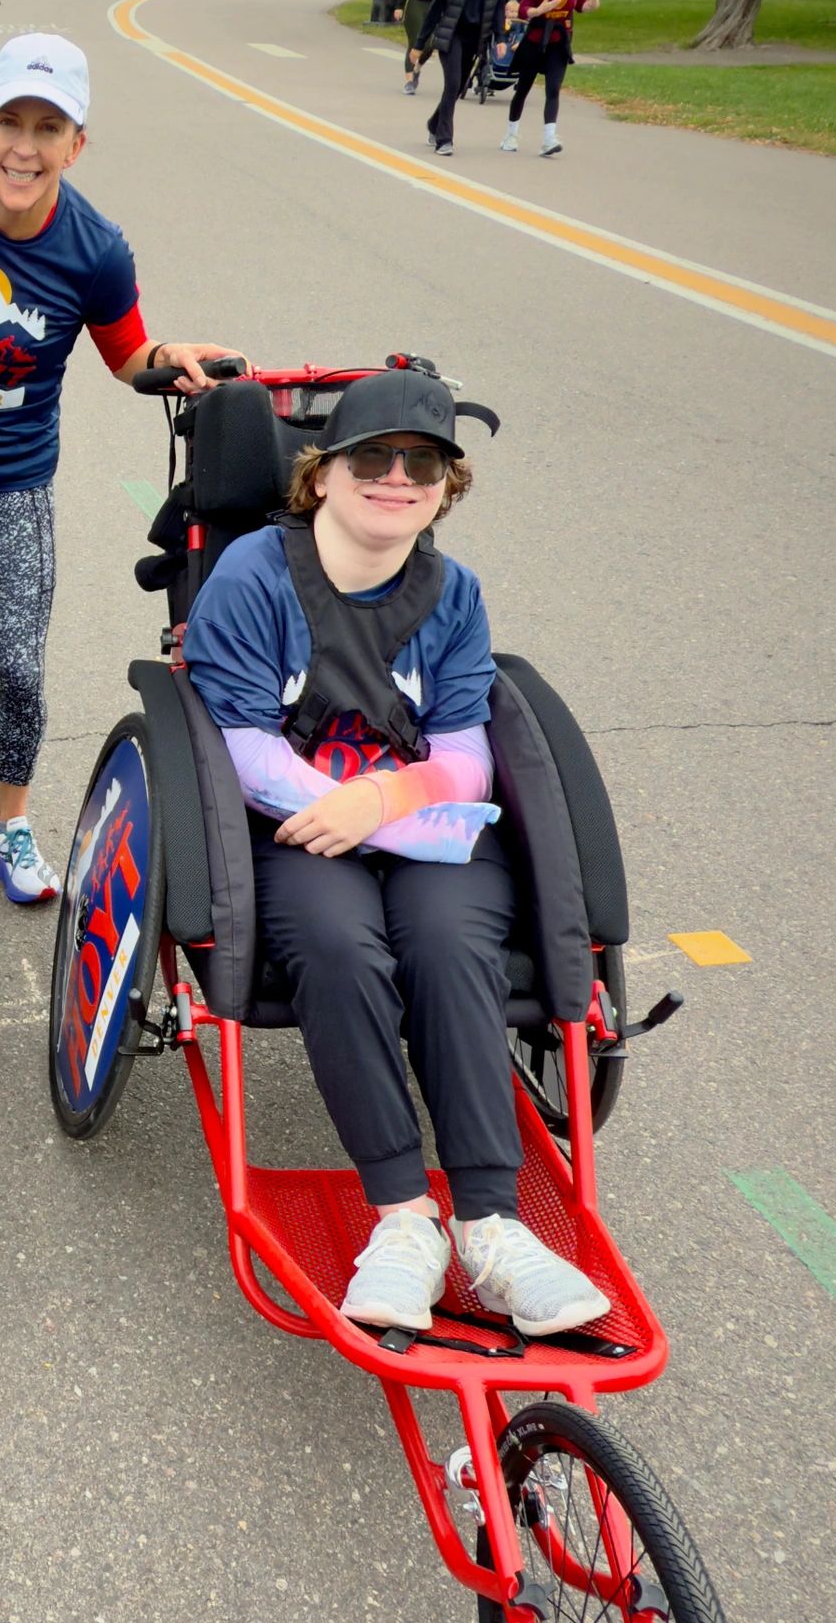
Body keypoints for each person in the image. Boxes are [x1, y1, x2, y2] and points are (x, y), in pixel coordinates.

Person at [180, 369, 611, 1338]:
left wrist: (379, 797)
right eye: (371, 458)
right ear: (322, 476)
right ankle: (402, 1219)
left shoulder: (452, 593)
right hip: (292, 826)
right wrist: (346, 804)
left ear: (444, 487)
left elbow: (464, 755)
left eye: (422, 463)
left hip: (411, 820)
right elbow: (239, 745)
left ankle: (492, 1229)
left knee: (451, 947)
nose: (396, 477)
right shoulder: (255, 574)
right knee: (341, 948)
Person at [0, 33, 240, 904]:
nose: (25, 146)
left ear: (75, 146)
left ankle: (10, 826)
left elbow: (125, 354)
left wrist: (167, 353)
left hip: (13, 480)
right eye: (10, 121)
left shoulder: (94, 249)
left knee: (22, 665)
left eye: (49, 128)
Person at [503, 0, 598, 158]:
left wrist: (590, 6)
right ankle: (511, 133)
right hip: (535, 39)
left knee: (553, 89)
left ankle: (548, 139)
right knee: (523, 88)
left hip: (560, 40)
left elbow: (580, 4)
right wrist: (539, 9)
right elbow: (523, 9)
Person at [420, 0, 506, 156]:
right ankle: (444, 139)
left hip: (475, 40)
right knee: (453, 84)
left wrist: (500, 38)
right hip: (452, 37)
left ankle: (434, 123)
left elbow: (498, 7)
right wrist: (419, 44)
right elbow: (436, 6)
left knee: (457, 89)